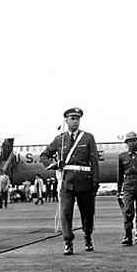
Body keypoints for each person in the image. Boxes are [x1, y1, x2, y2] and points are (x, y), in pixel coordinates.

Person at [40, 107, 99, 255]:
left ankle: (87, 236)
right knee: (66, 213)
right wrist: (53, 164)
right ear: (66, 120)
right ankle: (68, 242)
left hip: (85, 182)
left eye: (77, 118)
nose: (75, 121)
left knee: (87, 213)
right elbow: (44, 155)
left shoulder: (88, 137)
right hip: (67, 182)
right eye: (72, 118)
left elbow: (94, 161)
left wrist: (96, 182)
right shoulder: (60, 139)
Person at [117, 131, 137, 245]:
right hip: (128, 185)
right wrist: (118, 190)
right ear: (126, 143)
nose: (132, 143)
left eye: (134, 141)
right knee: (128, 211)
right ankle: (128, 236)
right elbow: (120, 175)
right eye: (129, 141)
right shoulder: (122, 156)